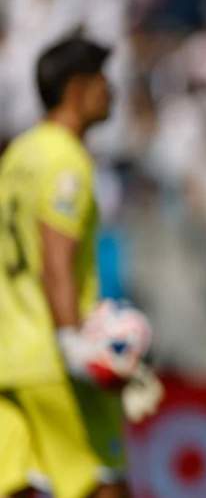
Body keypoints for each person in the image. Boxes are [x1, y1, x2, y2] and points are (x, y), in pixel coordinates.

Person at [0, 36, 129, 498]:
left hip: (8, 358)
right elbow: (56, 254)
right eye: (101, 81)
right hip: (51, 357)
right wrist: (73, 340)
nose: (110, 92)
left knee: (14, 486)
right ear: (76, 89)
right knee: (102, 483)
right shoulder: (65, 158)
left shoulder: (18, 154)